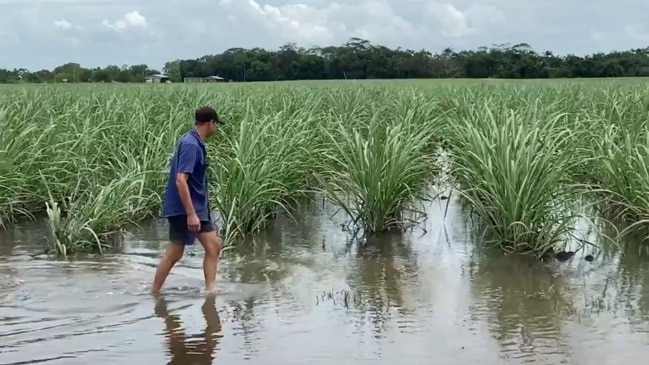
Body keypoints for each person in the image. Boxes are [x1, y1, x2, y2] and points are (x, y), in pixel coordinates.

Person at [152, 106, 226, 295]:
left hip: (196, 209)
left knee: (213, 246)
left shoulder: (194, 142)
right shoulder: (191, 145)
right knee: (176, 251)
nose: (216, 129)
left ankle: (211, 290)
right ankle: (154, 291)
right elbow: (180, 180)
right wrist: (191, 214)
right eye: (216, 124)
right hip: (185, 209)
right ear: (210, 123)